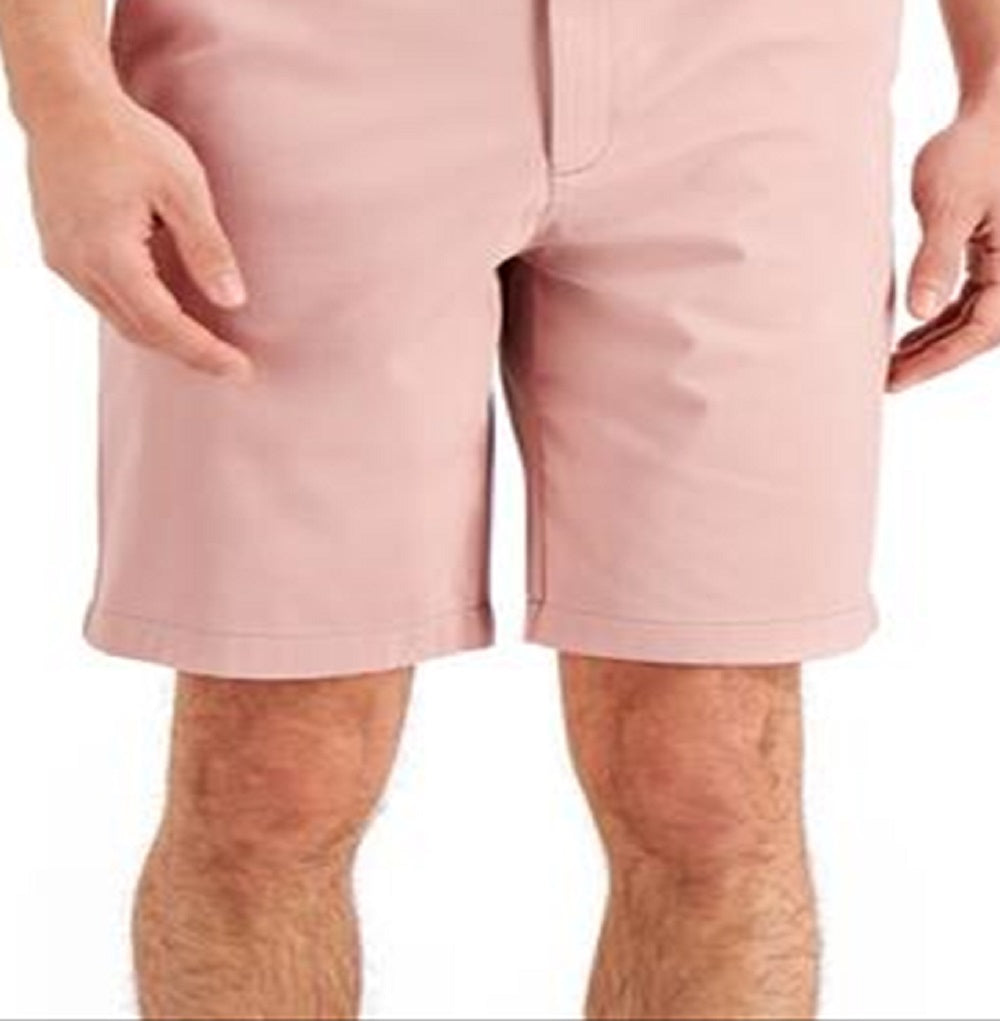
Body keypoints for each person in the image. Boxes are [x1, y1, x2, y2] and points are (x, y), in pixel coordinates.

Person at [1, 1, 997, 1018]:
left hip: (755, 78)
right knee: (275, 776)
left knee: (709, 782)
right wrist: (62, 93)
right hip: (292, 65)